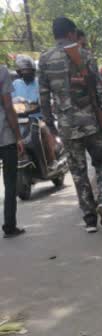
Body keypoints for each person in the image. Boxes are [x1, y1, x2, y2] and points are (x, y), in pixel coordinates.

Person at [39, 17, 102, 233]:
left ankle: (90, 220)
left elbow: (43, 96)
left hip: (66, 126)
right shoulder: (85, 55)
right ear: (71, 33)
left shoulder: (44, 59)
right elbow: (100, 90)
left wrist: (50, 126)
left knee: (78, 171)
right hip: (91, 122)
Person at [13, 55, 58, 166]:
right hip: (19, 120)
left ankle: (52, 160)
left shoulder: (40, 83)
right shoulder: (15, 84)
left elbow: (48, 99)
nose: (26, 73)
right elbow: (10, 101)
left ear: (33, 71)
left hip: (38, 118)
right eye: (24, 71)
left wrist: (40, 106)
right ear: (19, 72)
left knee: (44, 131)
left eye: (29, 70)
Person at [0, 63, 25, 238]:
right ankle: (9, 226)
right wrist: (18, 136)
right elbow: (8, 107)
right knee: (10, 182)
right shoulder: (1, 71)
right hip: (5, 136)